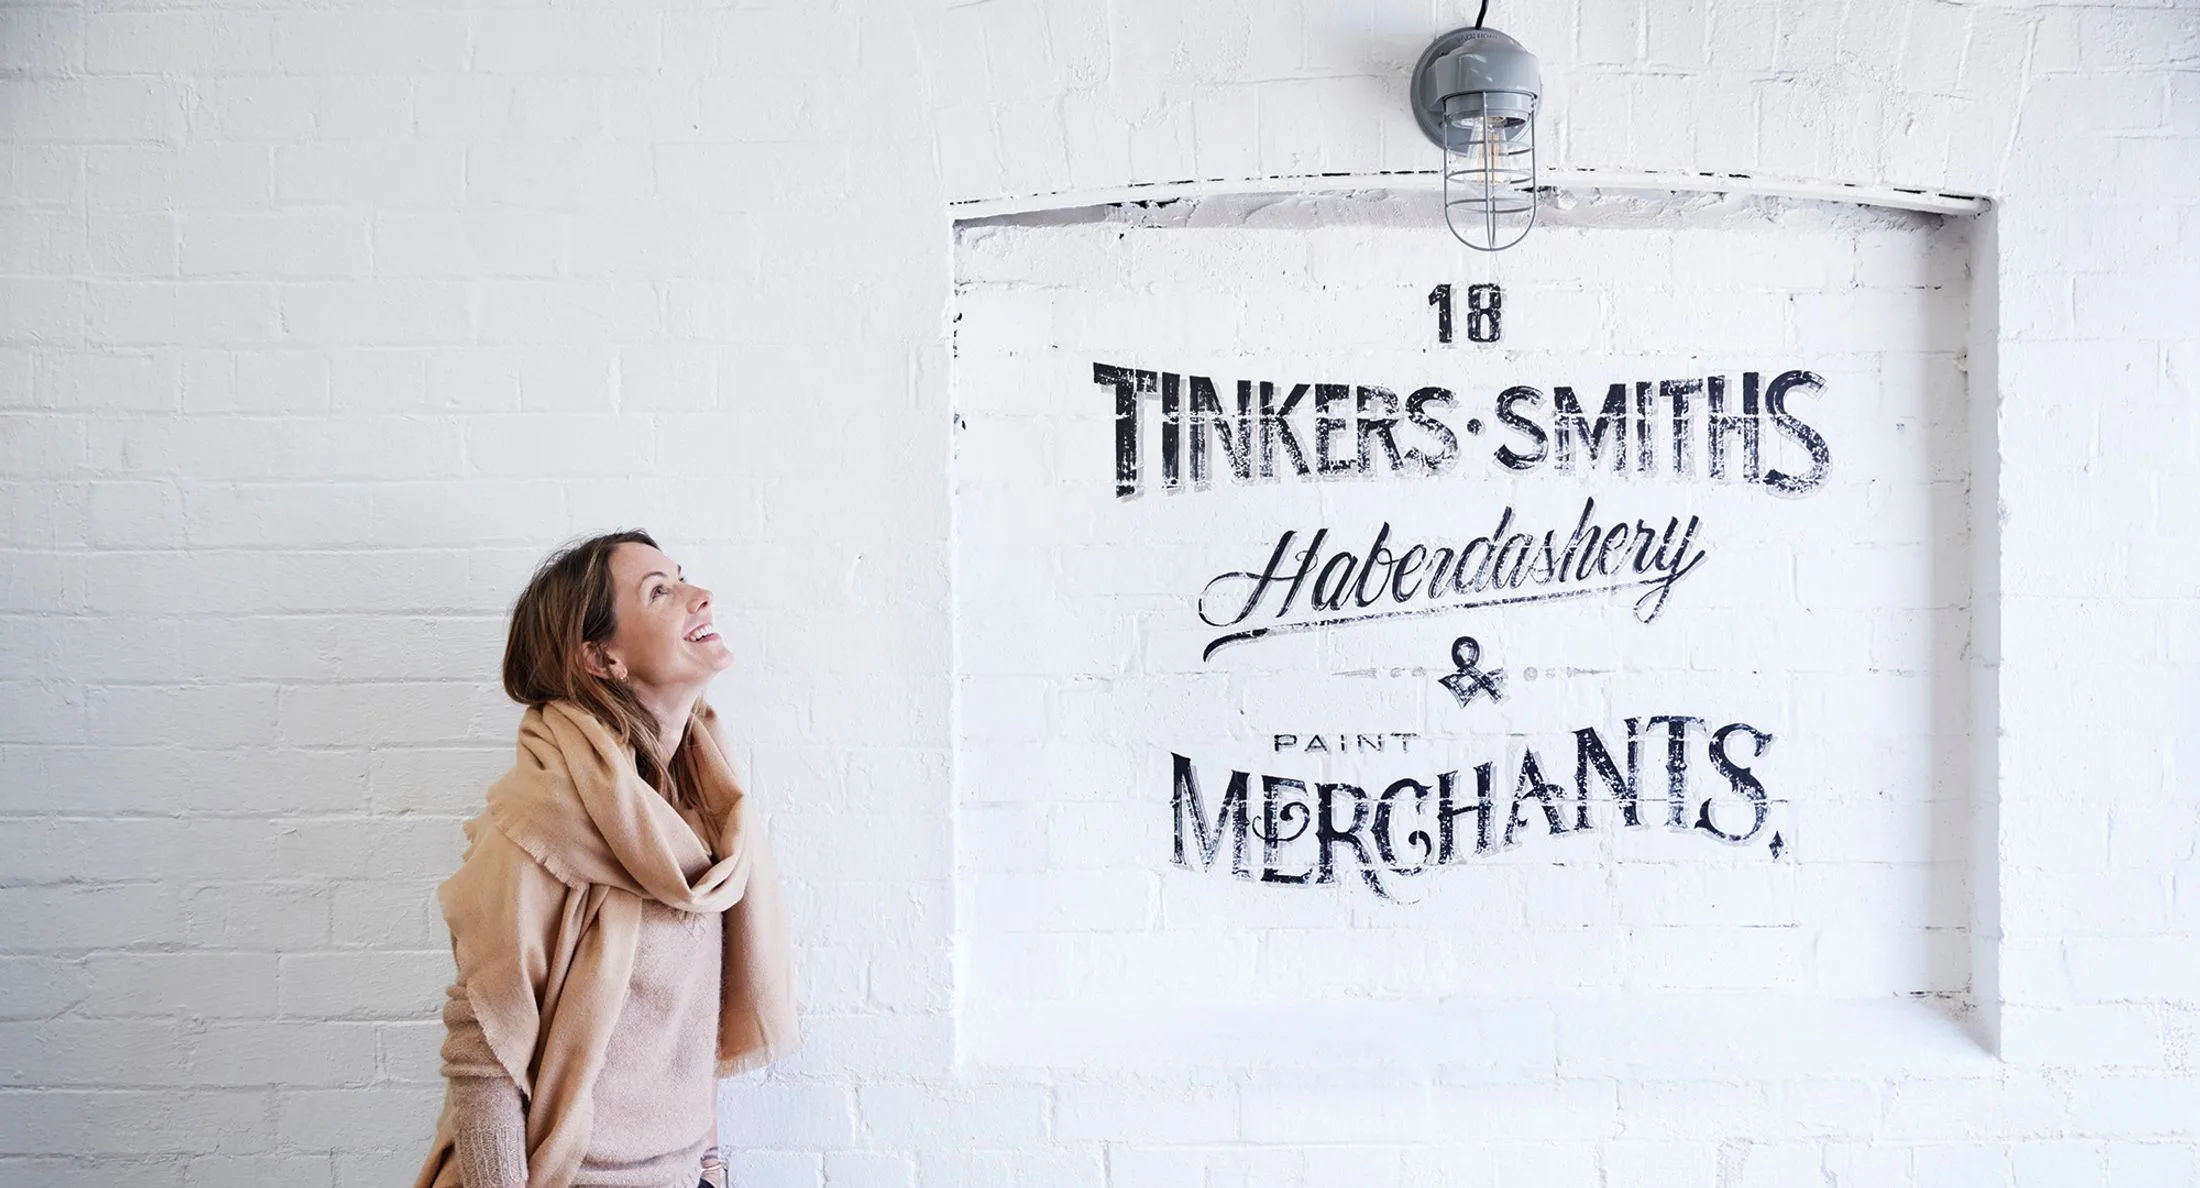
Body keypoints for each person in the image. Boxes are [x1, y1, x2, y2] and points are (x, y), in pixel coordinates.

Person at [414, 530, 798, 1188]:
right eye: (661, 591)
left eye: (682, 577)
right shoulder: (540, 820)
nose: (701, 596)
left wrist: (707, 1165)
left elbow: (691, 1022)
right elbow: (485, 1053)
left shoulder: (702, 804)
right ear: (601, 657)